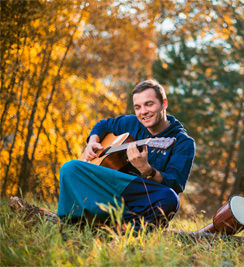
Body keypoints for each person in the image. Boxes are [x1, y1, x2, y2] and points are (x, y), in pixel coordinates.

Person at [56, 79, 196, 230]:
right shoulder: (131, 123)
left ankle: (122, 229)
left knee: (170, 199)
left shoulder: (183, 142)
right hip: (113, 187)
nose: (143, 112)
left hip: (141, 196)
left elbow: (174, 183)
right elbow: (103, 124)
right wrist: (92, 142)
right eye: (138, 107)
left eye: (149, 104)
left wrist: (147, 170)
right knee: (69, 168)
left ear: (164, 104)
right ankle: (89, 220)